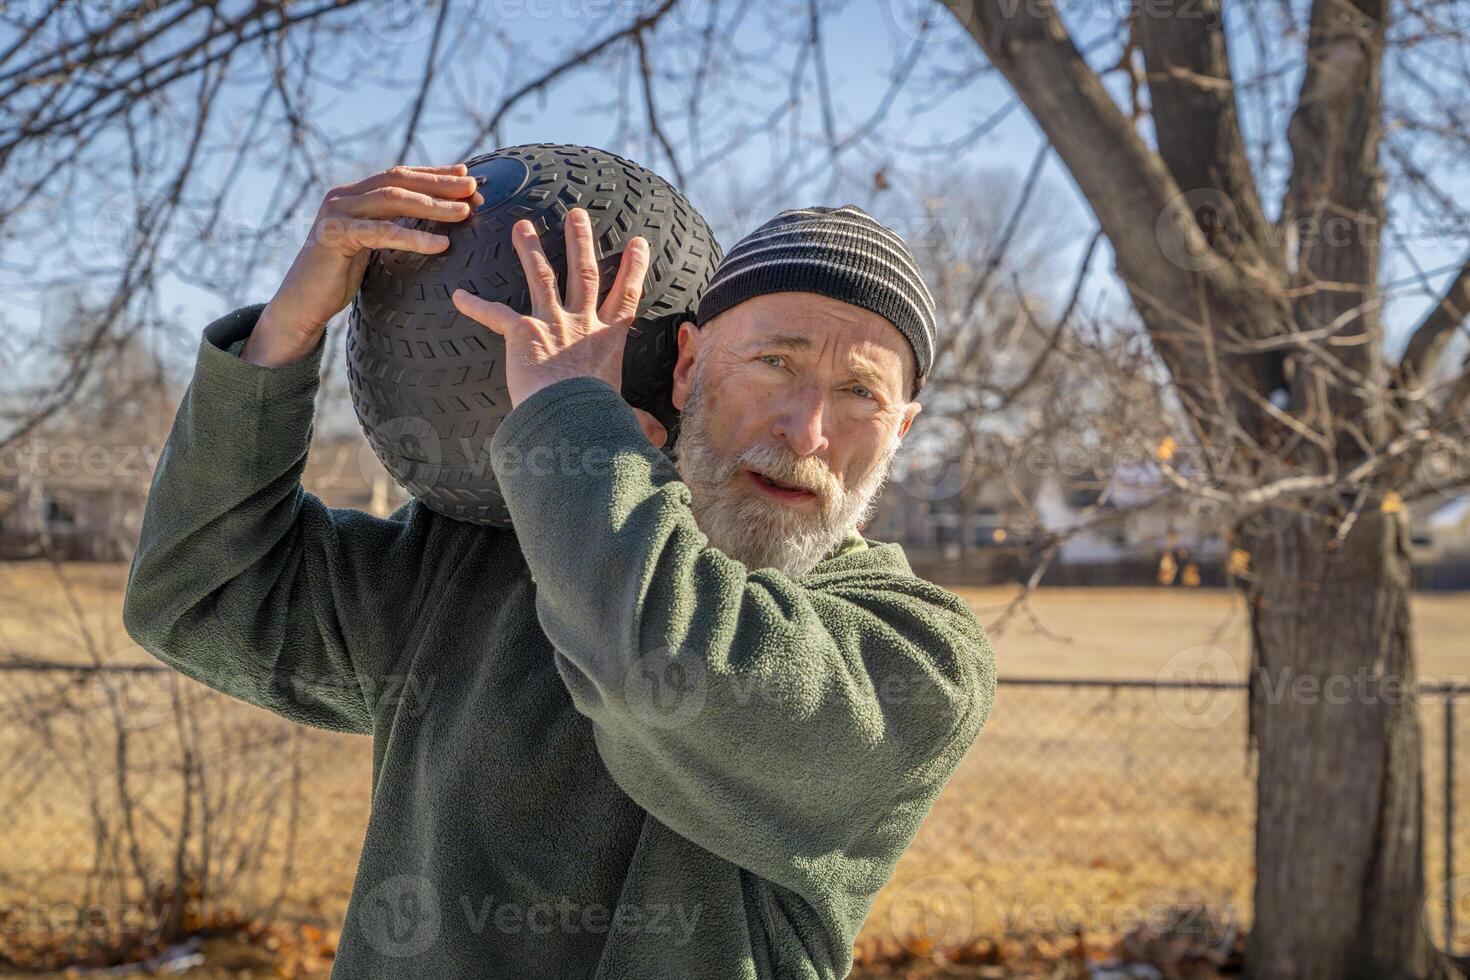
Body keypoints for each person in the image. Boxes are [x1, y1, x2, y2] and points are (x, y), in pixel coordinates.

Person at [122, 162, 997, 979]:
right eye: (776, 363)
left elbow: (652, 663)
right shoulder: (474, 563)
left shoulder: (919, 661)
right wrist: (288, 330)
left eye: (861, 394)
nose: (809, 431)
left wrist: (569, 418)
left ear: (902, 432)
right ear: (687, 367)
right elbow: (200, 592)